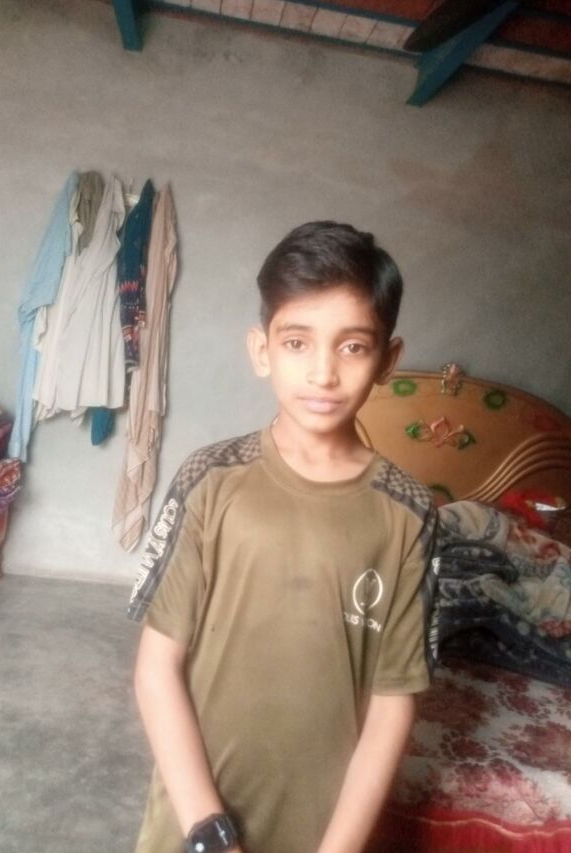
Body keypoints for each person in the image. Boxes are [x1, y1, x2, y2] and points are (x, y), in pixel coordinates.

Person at [128, 221, 438, 853]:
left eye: (353, 347)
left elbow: (393, 704)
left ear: (388, 360)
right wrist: (208, 832)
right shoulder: (210, 481)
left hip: (324, 832)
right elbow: (156, 668)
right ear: (262, 349)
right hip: (193, 825)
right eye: (297, 342)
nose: (323, 372)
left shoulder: (408, 515)